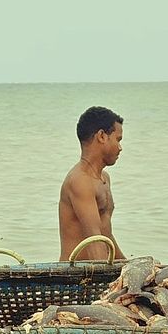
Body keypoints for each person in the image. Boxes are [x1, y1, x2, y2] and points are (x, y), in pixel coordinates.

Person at [58, 106, 126, 262]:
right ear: (102, 136)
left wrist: (128, 264)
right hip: (78, 274)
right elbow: (94, 239)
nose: (120, 147)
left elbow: (105, 235)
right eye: (118, 139)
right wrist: (109, 282)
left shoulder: (104, 178)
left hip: (100, 265)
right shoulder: (80, 181)